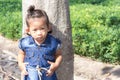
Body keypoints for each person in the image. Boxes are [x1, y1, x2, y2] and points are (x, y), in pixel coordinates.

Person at [18, 5, 62, 80]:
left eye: (42, 28)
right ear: (28, 31)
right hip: (30, 74)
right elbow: (21, 53)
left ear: (48, 28)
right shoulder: (25, 42)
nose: (39, 33)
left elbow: (59, 55)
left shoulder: (53, 42)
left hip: (48, 73)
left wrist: (56, 65)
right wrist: (21, 64)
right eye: (35, 30)